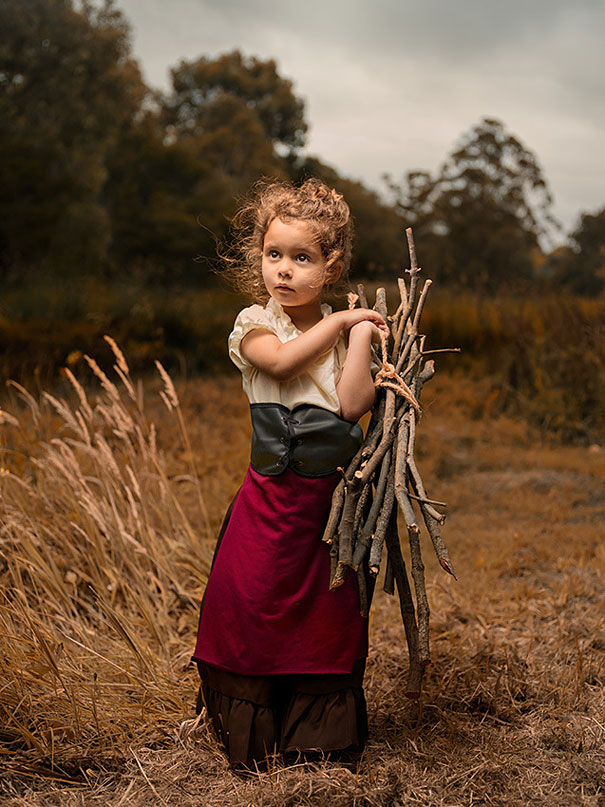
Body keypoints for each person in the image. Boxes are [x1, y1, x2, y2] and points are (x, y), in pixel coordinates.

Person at [192, 177, 389, 772]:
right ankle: (254, 729)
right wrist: (344, 321)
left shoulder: (343, 332)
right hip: (267, 503)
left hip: (327, 509)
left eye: (302, 258)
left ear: (331, 268)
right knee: (252, 601)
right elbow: (279, 365)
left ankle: (315, 737)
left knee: (324, 616)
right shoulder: (255, 323)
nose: (283, 269)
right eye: (273, 254)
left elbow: (351, 405)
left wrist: (359, 335)